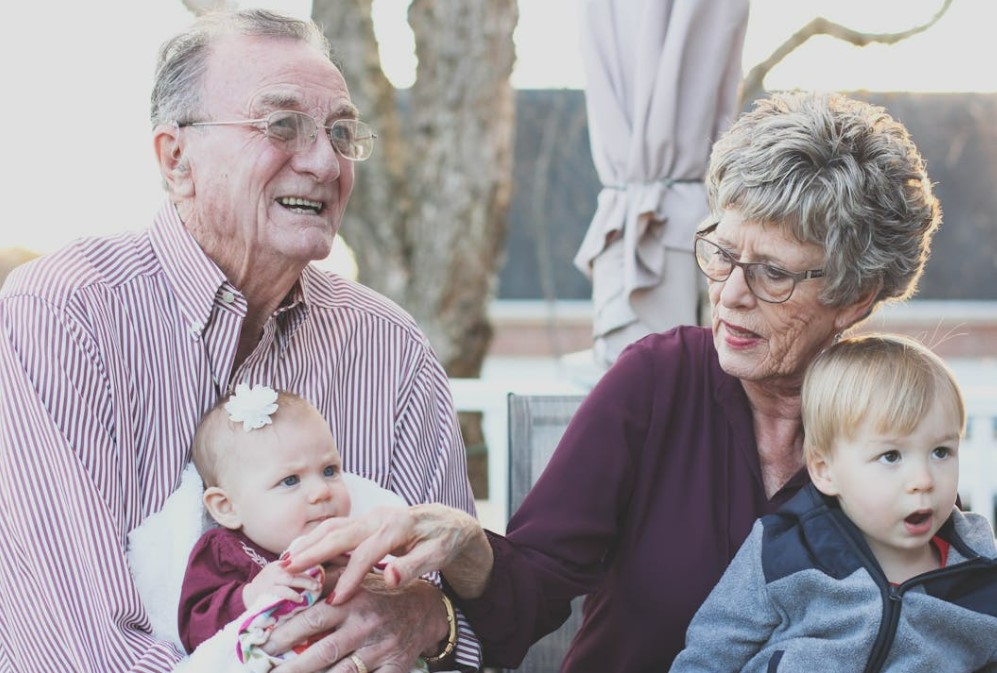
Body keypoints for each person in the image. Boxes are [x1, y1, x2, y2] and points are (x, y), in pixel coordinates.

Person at [279, 90, 946, 672]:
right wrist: (467, 542)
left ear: (855, 296)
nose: (729, 294)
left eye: (772, 272)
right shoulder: (657, 382)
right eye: (720, 252)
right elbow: (528, 595)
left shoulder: (900, 423)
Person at [0, 9, 479, 673]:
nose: (322, 162)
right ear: (176, 158)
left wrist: (428, 619)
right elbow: (73, 649)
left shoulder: (389, 347)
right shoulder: (64, 315)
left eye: (340, 132)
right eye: (281, 124)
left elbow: (462, 616)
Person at [669, 334, 997, 672]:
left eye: (941, 452)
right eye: (891, 456)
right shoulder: (783, 552)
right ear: (825, 471)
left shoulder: (981, 571)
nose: (923, 480)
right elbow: (709, 655)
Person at [178, 385, 352, 653]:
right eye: (290, 480)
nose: (322, 491)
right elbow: (194, 629)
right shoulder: (226, 551)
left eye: (330, 470)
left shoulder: (350, 544)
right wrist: (249, 596)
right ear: (227, 507)